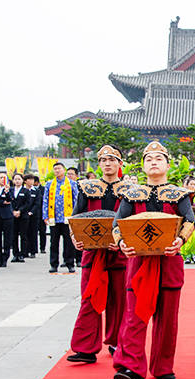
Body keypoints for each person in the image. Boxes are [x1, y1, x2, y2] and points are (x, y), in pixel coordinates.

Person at [112, 141, 195, 379]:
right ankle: (131, 367)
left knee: (167, 319)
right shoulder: (131, 194)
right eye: (149, 159)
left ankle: (163, 366)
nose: (154, 162)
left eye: (159, 158)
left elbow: (189, 222)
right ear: (143, 166)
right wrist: (122, 244)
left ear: (168, 165)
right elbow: (118, 224)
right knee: (134, 316)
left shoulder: (179, 194)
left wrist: (179, 240)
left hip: (169, 261)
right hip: (139, 262)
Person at [67, 145, 130, 364]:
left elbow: (134, 220)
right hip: (93, 253)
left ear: (120, 164)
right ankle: (86, 348)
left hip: (120, 253)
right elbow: (76, 217)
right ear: (99, 163)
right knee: (89, 297)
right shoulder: (87, 188)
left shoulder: (131, 190)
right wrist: (75, 237)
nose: (107, 163)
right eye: (103, 160)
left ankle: (117, 343)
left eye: (112, 159)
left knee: (119, 300)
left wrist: (123, 241)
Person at [42, 162, 78, 273]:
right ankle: (54, 264)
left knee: (68, 242)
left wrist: (76, 215)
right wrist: (45, 215)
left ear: (64, 170)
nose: (57, 171)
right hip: (54, 217)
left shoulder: (72, 183)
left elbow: (76, 200)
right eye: (55, 169)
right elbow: (45, 200)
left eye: (59, 168)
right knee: (54, 242)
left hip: (67, 217)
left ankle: (70, 263)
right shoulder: (49, 184)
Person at [180, 176, 195, 264]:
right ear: (186, 185)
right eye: (191, 184)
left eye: (194, 184)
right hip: (186, 220)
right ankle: (187, 256)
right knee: (186, 236)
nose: (193, 186)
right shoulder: (184, 193)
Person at [0, 173, 14, 268]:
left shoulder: (10, 189)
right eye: (1, 177)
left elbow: (10, 200)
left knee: (7, 238)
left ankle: (5, 258)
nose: (2, 179)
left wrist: (7, 192)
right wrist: (2, 201)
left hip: (7, 216)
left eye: (5, 178)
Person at [10, 173, 31, 263]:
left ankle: (22, 254)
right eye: (15, 179)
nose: (17, 181)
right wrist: (13, 211)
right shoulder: (10, 190)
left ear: (23, 180)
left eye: (19, 179)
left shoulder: (26, 191)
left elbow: (27, 203)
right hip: (12, 216)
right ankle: (15, 254)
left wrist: (20, 211)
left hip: (23, 216)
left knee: (23, 235)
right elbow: (9, 202)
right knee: (13, 236)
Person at [67, 167, 83, 268]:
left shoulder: (79, 186)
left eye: (71, 174)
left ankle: (78, 260)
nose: (69, 176)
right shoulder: (55, 185)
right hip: (63, 216)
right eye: (68, 174)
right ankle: (67, 261)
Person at [25, 174, 39, 258]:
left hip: (34, 215)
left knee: (33, 233)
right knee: (25, 233)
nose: (31, 181)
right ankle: (25, 251)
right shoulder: (23, 190)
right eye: (29, 179)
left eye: (32, 180)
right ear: (25, 181)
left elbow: (37, 203)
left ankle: (33, 251)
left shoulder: (36, 191)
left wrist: (31, 212)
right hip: (24, 215)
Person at [33, 176, 47, 254]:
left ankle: (42, 247)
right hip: (34, 213)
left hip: (42, 213)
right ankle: (34, 249)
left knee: (42, 231)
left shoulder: (43, 189)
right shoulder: (31, 189)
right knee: (34, 232)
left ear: (36, 182)